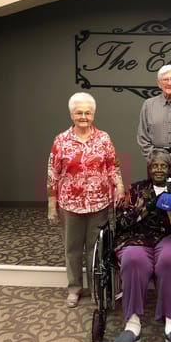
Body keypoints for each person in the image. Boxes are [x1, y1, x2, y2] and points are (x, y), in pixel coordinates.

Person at [111, 149, 171, 342]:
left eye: (163, 165)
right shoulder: (137, 189)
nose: (158, 169)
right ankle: (132, 326)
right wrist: (147, 207)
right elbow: (122, 222)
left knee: (170, 259)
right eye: (154, 165)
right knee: (133, 259)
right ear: (149, 169)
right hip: (138, 239)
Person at [47, 92, 124, 308]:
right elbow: (52, 174)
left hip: (99, 203)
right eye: (79, 113)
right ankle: (74, 289)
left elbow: (113, 166)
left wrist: (119, 187)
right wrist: (51, 206)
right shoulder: (61, 140)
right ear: (72, 114)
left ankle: (96, 288)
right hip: (70, 205)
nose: (84, 117)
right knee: (72, 249)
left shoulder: (104, 138)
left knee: (95, 248)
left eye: (88, 113)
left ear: (94, 114)